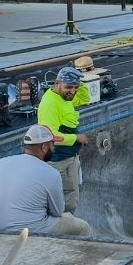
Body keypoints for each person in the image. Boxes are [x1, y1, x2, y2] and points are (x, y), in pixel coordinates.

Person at [0, 124, 92, 235]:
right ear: (44, 147)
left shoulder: (2, 162)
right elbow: (57, 212)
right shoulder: (51, 173)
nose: (54, 148)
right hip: (32, 229)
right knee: (83, 227)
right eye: (52, 144)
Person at [37, 66, 89, 212]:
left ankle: (69, 223)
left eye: (75, 87)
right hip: (59, 160)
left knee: (72, 195)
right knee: (66, 201)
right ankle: (65, 229)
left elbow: (85, 99)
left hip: (69, 157)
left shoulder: (64, 96)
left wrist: (80, 80)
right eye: (69, 87)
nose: (72, 91)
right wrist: (77, 137)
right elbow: (50, 136)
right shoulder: (50, 104)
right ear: (57, 83)